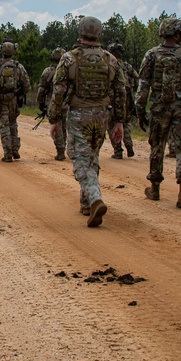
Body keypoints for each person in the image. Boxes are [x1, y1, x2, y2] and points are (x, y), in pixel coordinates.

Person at [48, 16, 128, 227]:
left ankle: (94, 198)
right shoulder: (110, 60)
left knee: (80, 160)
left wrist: (54, 119)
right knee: (92, 156)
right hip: (102, 115)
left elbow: (58, 91)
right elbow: (121, 92)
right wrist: (119, 121)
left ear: (80, 32)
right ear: (99, 33)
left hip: (78, 116)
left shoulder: (68, 59)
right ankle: (86, 204)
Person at [135, 18, 181, 209]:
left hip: (159, 107)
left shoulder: (151, 55)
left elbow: (143, 86)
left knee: (157, 146)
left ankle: (155, 188)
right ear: (177, 34)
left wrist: (140, 110)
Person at [0, 41, 32, 162]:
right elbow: (27, 86)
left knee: (3, 125)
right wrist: (19, 94)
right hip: (14, 100)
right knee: (13, 123)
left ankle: (8, 153)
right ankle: (15, 148)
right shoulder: (18, 67)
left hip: (0, 100)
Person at [107, 43, 137, 159]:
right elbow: (136, 78)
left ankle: (118, 150)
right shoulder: (128, 67)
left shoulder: (109, 65)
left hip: (112, 99)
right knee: (125, 122)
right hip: (127, 98)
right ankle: (129, 144)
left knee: (111, 124)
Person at [36, 47, 67, 160]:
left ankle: (60, 151)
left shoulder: (48, 71)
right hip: (67, 103)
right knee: (64, 126)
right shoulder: (70, 70)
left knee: (57, 125)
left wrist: (40, 103)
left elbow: (41, 90)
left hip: (53, 103)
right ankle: (63, 147)